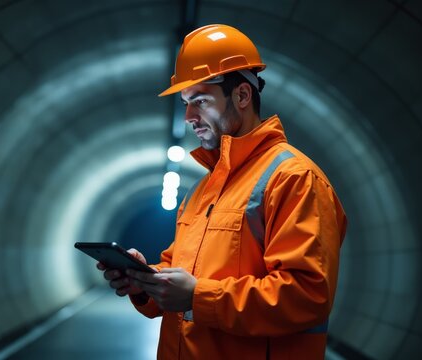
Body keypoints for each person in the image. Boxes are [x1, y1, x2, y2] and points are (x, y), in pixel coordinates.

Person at [97, 24, 347, 359]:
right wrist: (145, 280)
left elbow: (305, 296)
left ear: (242, 96)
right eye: (186, 103)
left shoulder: (293, 178)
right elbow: (183, 271)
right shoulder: (205, 187)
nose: (188, 116)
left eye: (199, 100)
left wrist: (197, 297)